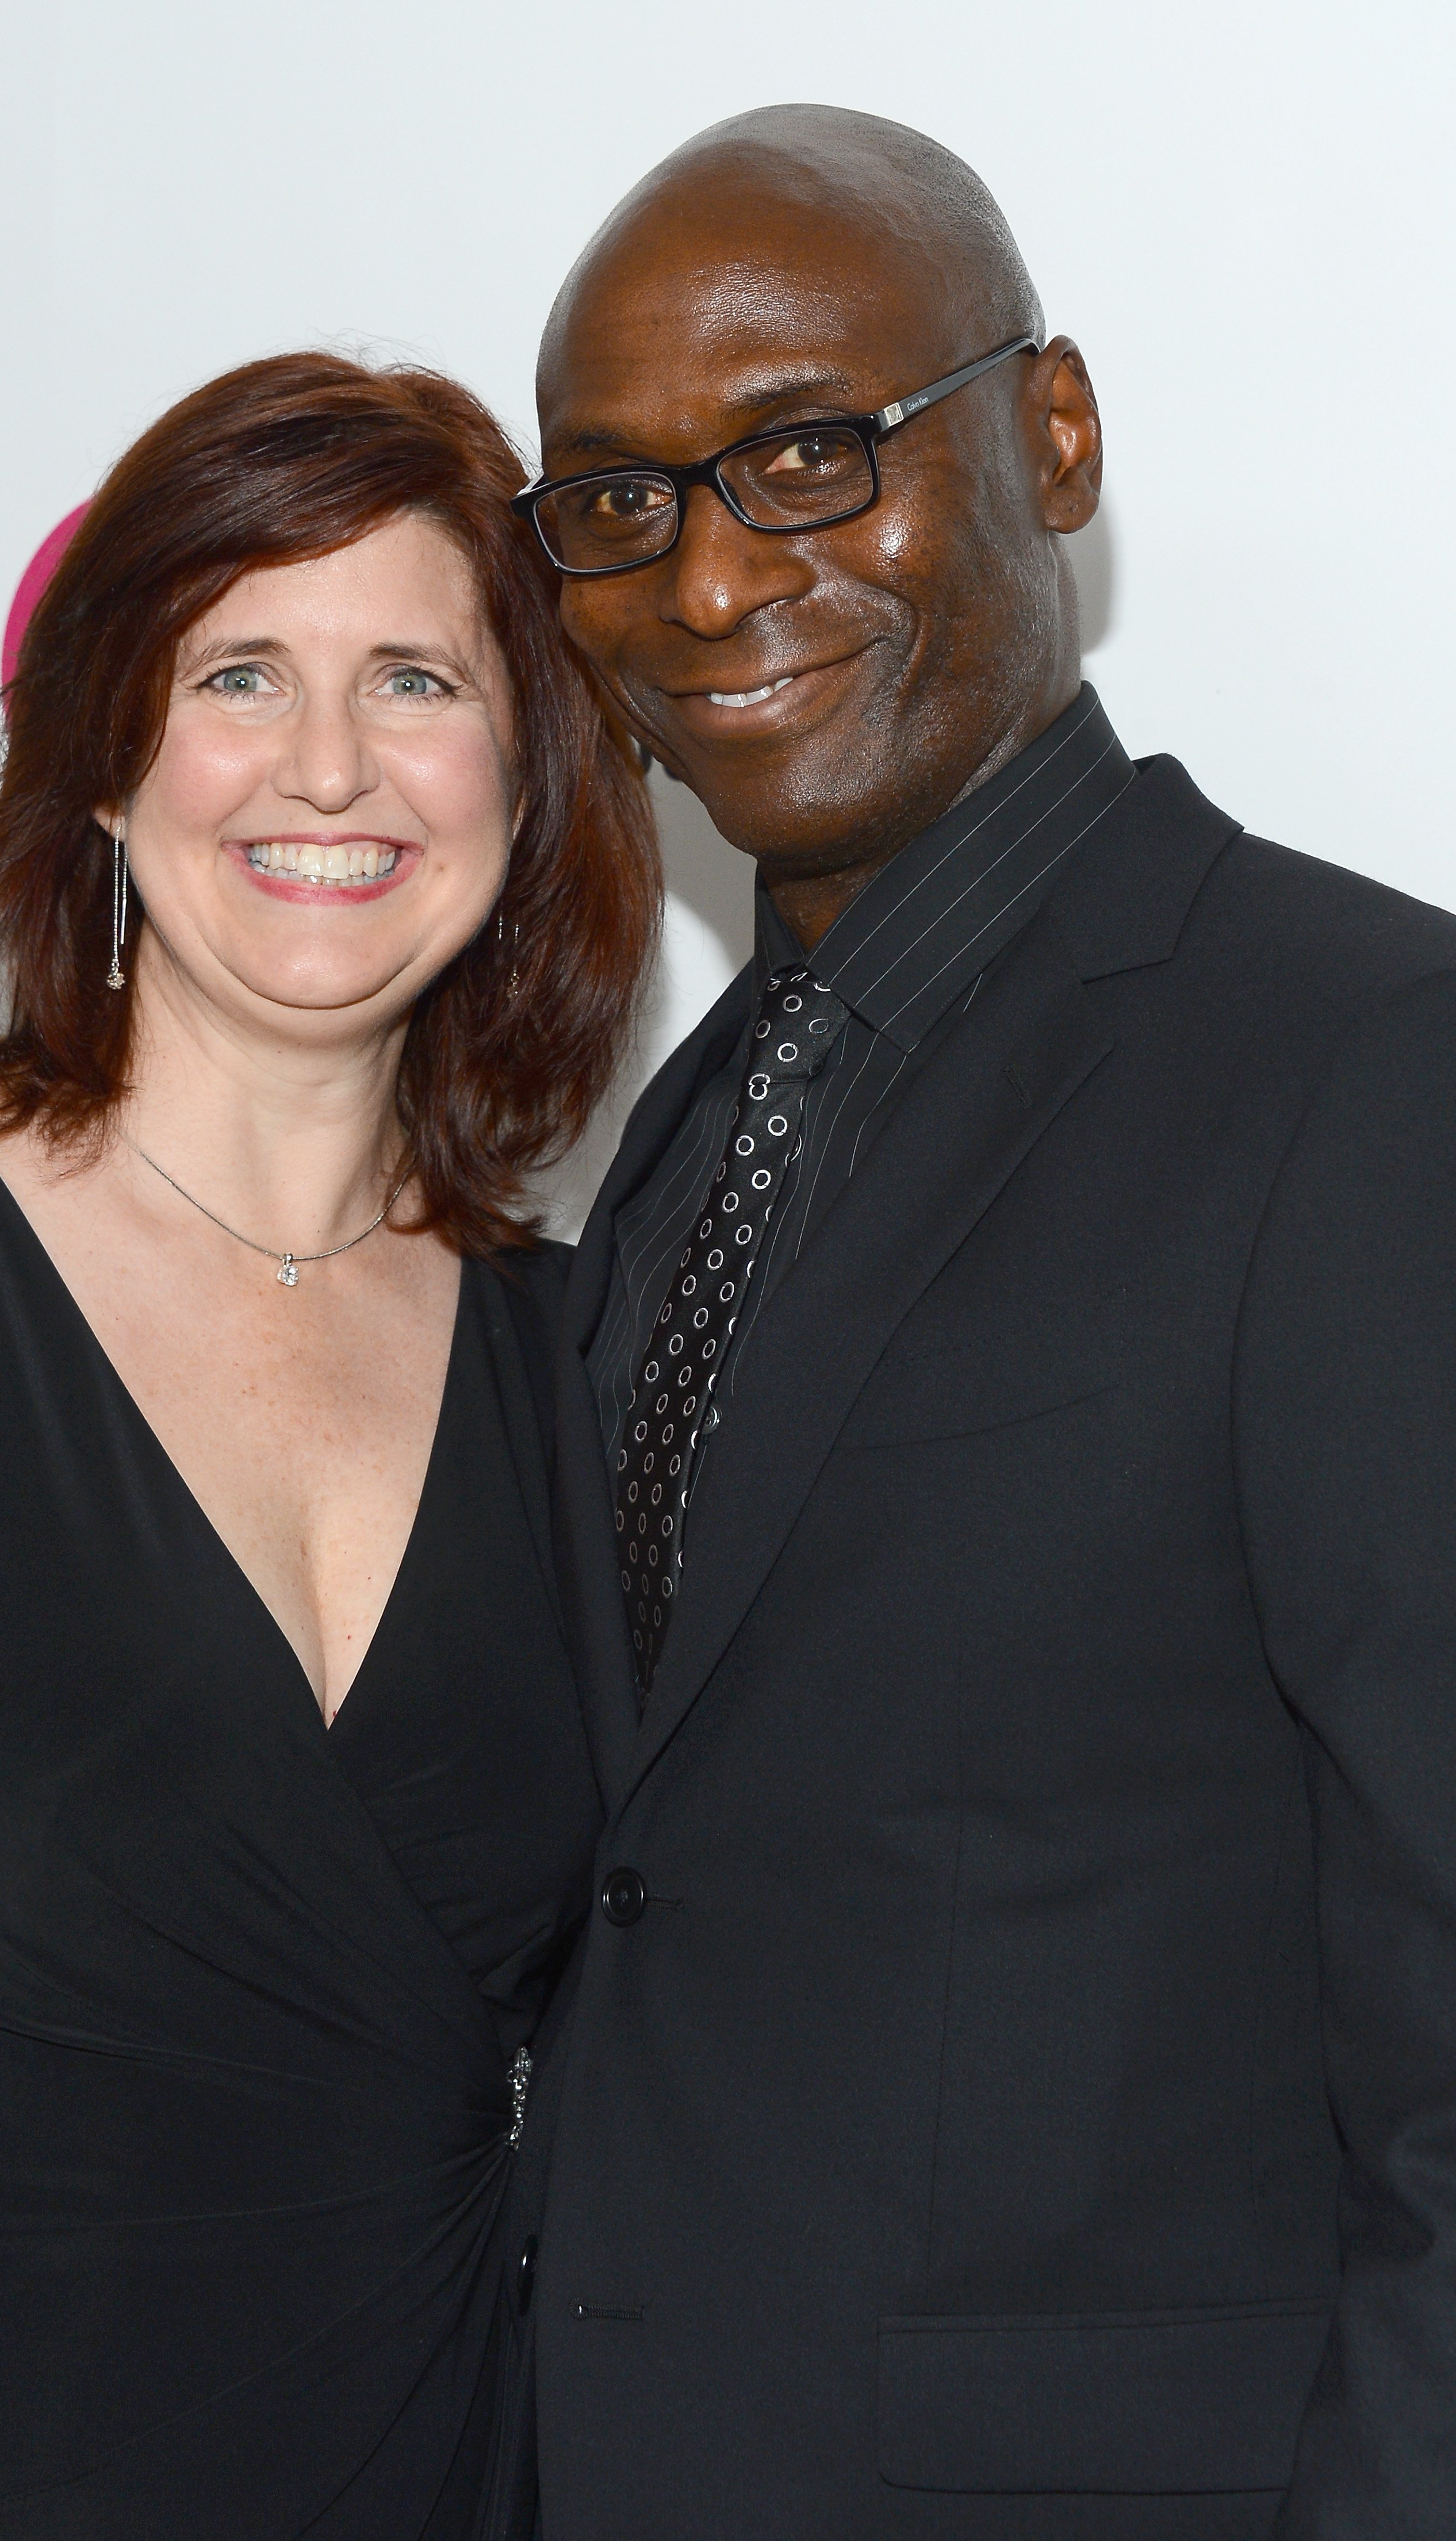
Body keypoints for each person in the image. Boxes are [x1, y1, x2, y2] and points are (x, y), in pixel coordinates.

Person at [491, 105, 1456, 2540]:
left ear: (1051, 432)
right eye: (615, 505)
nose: (711, 583)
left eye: (808, 455)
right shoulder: (680, 1130)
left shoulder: (1369, 1063)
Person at [0, 350, 660, 2537]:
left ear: (527, 775)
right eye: (240, 667)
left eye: (419, 681)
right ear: (97, 755)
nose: (332, 763)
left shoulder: (588, 1371)